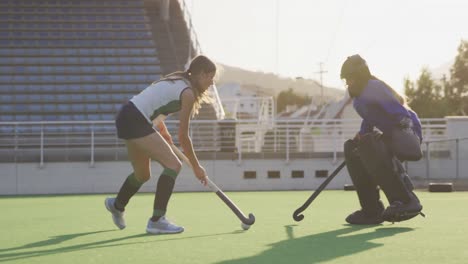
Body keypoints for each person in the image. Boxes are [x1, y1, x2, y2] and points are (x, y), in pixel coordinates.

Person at [105, 55, 216, 234]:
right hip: (136, 120)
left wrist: (162, 131)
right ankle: (157, 220)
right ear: (201, 74)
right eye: (210, 77)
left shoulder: (176, 80)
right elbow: (183, 136)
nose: (211, 83)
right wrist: (196, 167)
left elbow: (154, 103)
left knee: (142, 175)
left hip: (128, 116)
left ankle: (117, 205)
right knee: (173, 165)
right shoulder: (187, 92)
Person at [340, 54, 424, 225]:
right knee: (352, 148)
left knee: (369, 146)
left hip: (406, 132)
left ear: (360, 76)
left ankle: (405, 201)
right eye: (346, 79)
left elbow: (401, 114)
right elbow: (370, 118)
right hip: (391, 133)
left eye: (350, 78)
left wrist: (385, 138)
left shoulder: (373, 87)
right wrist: (363, 134)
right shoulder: (360, 96)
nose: (348, 83)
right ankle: (372, 211)